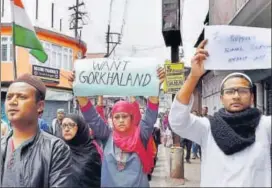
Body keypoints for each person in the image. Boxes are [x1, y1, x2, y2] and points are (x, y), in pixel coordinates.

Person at [169, 39, 271, 187]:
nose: (236, 96)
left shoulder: (265, 126)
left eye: (242, 91)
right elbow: (178, 121)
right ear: (221, 98)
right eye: (230, 91)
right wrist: (193, 76)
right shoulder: (207, 128)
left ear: (252, 97)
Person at [67, 67, 165, 187]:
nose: (121, 120)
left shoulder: (141, 134)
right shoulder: (107, 136)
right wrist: (78, 89)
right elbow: (91, 116)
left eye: (124, 116)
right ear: (112, 119)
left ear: (132, 117)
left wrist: (155, 86)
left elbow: (150, 116)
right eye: (117, 117)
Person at [1, 73, 73, 187]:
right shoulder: (2, 145)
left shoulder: (56, 149)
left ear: (40, 106)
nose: (12, 102)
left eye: (21, 97)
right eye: (9, 97)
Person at [61, 113, 102, 187]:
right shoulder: (59, 149)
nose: (66, 129)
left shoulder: (92, 153)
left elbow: (96, 182)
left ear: (80, 127)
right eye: (64, 125)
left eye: (71, 125)